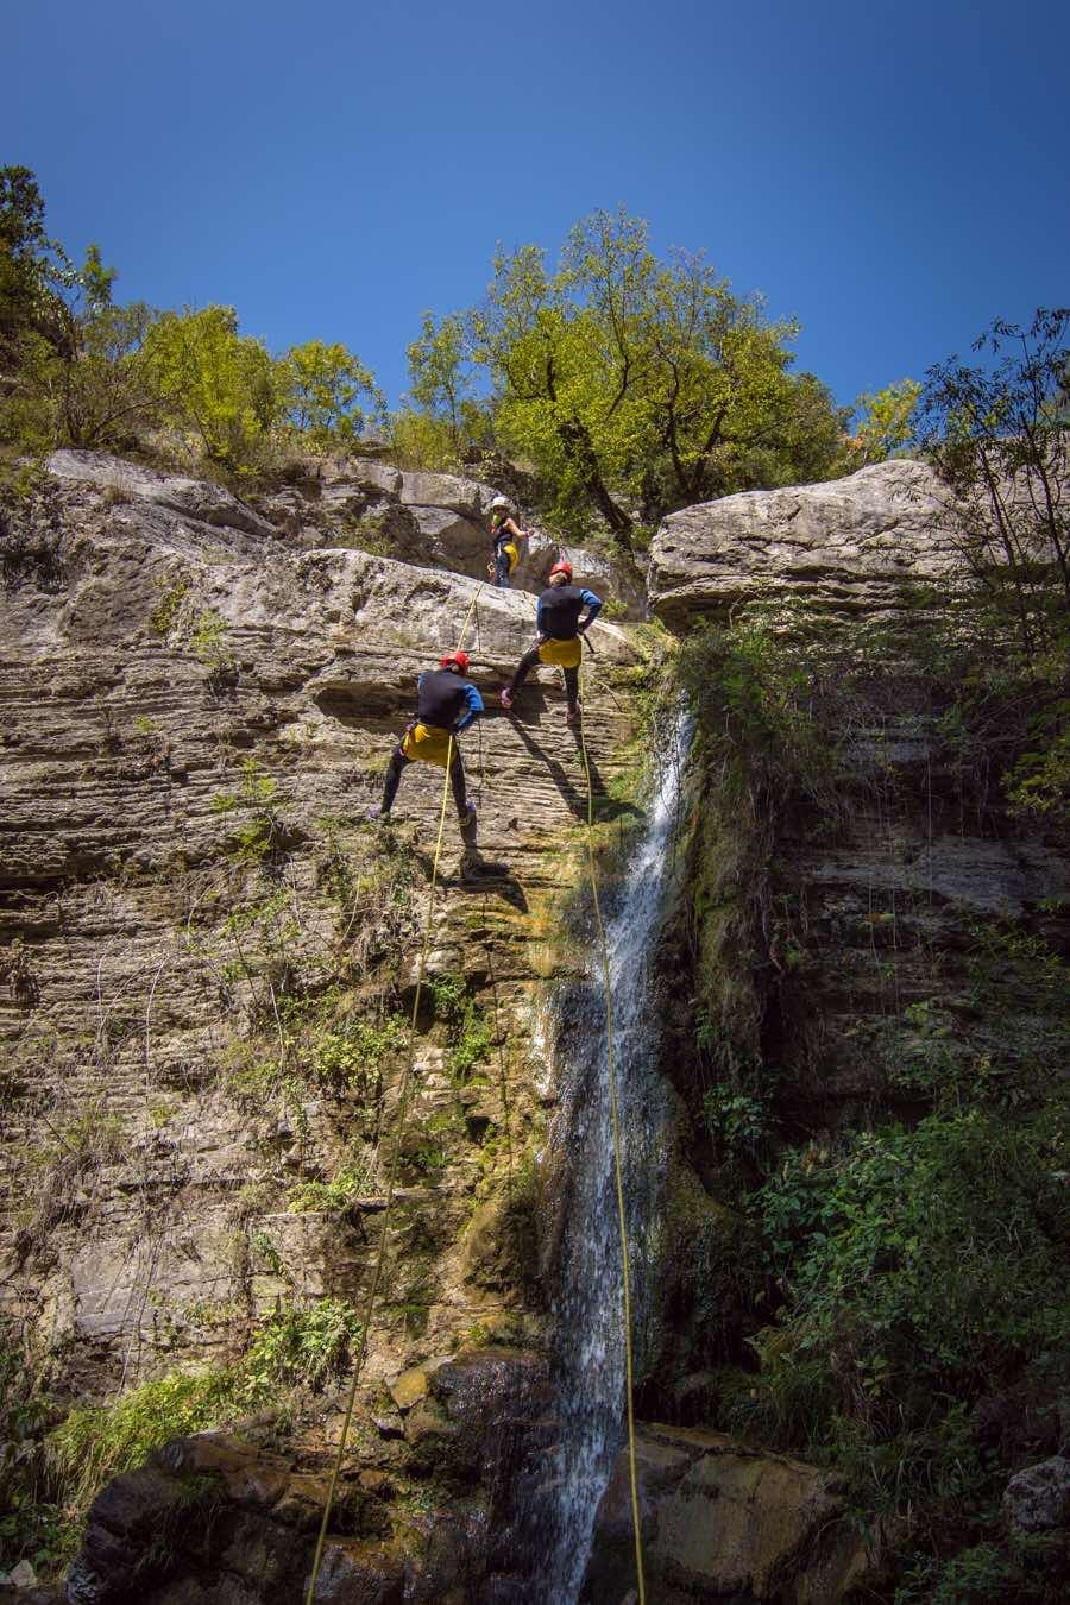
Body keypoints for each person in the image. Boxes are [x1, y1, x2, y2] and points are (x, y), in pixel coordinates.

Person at [374, 651, 483, 828]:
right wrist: (460, 726)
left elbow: (422, 690)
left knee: (396, 763)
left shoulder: (425, 677)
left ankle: (384, 811)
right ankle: (463, 815)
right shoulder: (466, 686)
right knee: (456, 774)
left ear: (444, 664)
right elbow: (477, 708)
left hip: (418, 737)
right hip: (443, 741)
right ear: (463, 670)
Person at [499, 562, 602, 726]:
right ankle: (571, 709)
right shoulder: (580, 593)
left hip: (550, 648)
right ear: (569, 579)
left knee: (526, 662)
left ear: (553, 577)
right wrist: (585, 624)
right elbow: (597, 603)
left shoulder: (545, 596)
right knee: (571, 678)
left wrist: (543, 635)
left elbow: (540, 623)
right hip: (571, 649)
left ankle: (509, 696)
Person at [487, 495, 528, 589]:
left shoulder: (508, 521)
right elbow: (493, 538)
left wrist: (526, 533)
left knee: (502, 571)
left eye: (502, 509)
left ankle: (504, 590)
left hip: (505, 548)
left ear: (506, 511)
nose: (499, 511)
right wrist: (496, 527)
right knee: (497, 572)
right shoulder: (496, 525)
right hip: (498, 549)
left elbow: (517, 532)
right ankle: (499, 588)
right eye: (497, 509)